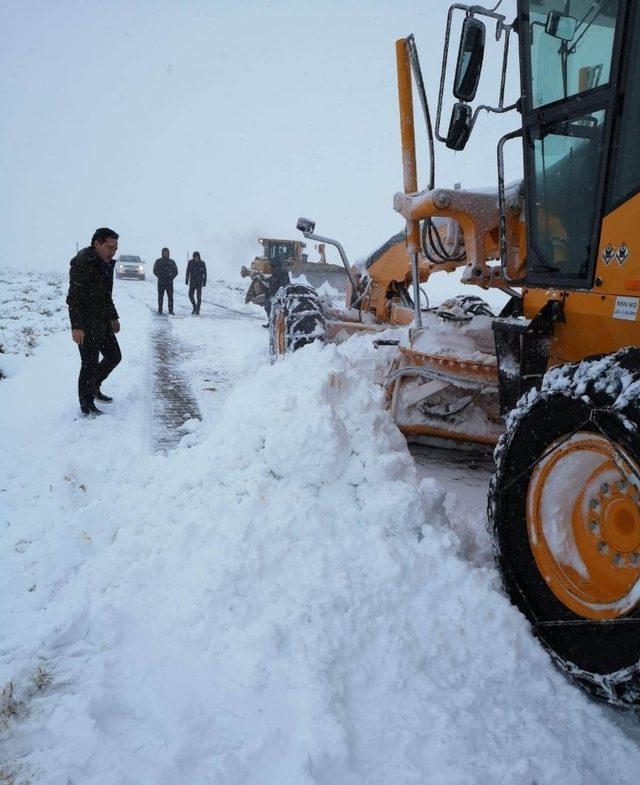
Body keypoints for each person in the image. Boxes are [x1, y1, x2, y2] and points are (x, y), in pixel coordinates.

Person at [66, 227, 122, 417]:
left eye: (115, 248)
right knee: (89, 363)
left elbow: (106, 296)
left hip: (103, 321)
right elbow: (74, 298)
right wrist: (76, 326)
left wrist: (113, 316)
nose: (113, 251)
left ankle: (94, 386)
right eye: (109, 246)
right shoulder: (83, 263)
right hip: (87, 323)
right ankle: (86, 404)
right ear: (97, 244)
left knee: (114, 356)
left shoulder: (105, 264)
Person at [153, 247, 178, 314]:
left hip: (169, 283)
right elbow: (155, 271)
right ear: (162, 253)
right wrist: (160, 277)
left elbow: (176, 271)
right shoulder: (158, 261)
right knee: (160, 296)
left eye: (167, 252)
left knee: (170, 297)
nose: (166, 253)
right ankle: (160, 310)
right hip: (161, 282)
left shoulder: (172, 262)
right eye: (164, 252)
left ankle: (171, 311)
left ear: (169, 253)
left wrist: (171, 277)